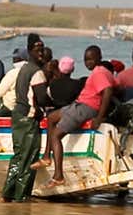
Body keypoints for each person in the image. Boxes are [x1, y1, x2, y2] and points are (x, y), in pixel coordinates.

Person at [38, 45, 118, 185]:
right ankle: (46, 156)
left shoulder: (99, 72)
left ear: (99, 58)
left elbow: (108, 91)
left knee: (55, 136)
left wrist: (99, 118)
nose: (88, 62)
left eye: (91, 59)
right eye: (86, 60)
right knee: (51, 118)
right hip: (78, 104)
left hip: (85, 108)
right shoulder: (104, 71)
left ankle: (58, 176)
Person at [0, 34, 44, 201]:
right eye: (38, 49)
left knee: (18, 157)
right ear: (30, 50)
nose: (41, 52)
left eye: (42, 49)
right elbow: (42, 98)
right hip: (29, 117)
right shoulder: (36, 72)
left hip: (17, 115)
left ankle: (7, 193)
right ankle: (21, 196)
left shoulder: (22, 70)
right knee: (29, 158)